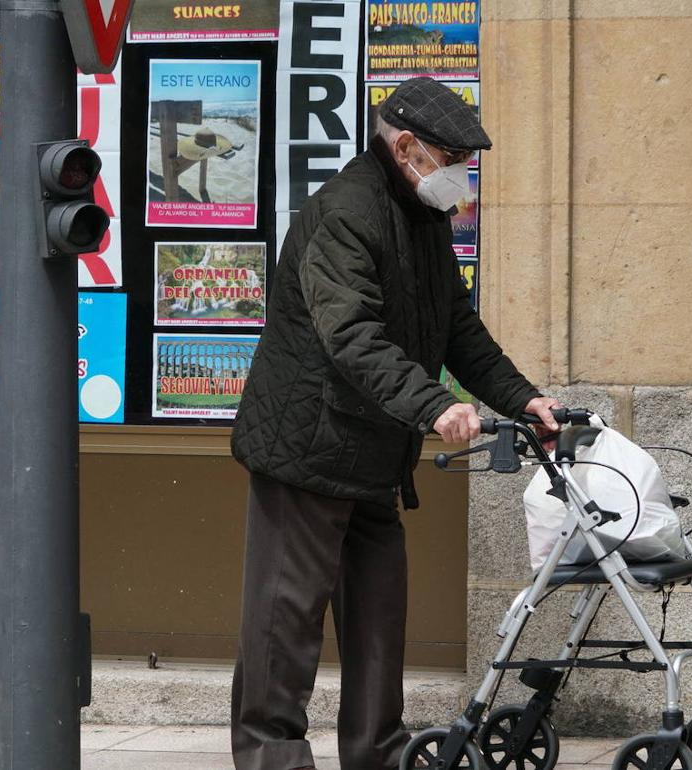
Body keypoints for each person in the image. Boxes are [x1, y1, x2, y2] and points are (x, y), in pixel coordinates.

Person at [228, 77, 560, 770]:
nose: (460, 176)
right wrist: (435, 406)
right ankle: (271, 758)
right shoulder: (345, 213)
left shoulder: (421, 212)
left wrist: (521, 399)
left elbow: (456, 328)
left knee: (378, 619)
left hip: (374, 452)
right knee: (283, 625)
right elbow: (351, 336)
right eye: (452, 159)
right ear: (405, 147)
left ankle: (378, 756)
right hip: (307, 447)